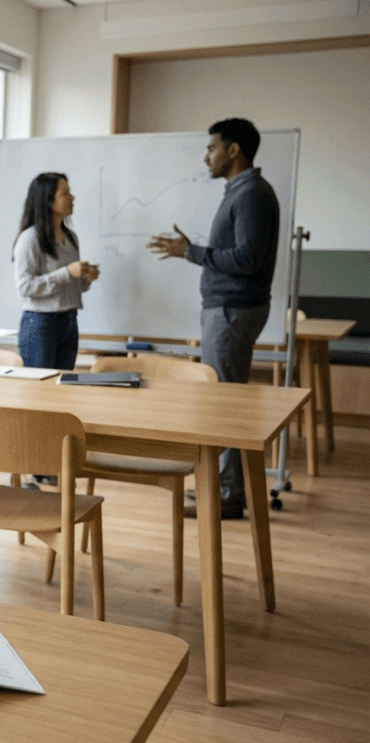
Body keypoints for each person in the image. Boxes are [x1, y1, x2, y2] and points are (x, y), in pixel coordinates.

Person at [148, 118, 279, 520]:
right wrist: (194, 251)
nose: (206, 155)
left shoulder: (252, 194)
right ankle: (228, 490)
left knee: (222, 403)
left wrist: (193, 251)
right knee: (226, 398)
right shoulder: (241, 191)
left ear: (233, 150)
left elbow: (245, 258)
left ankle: (226, 495)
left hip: (233, 310)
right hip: (228, 308)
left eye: (211, 147)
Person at [14, 172, 99, 370]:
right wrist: (67, 272)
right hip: (40, 324)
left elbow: (73, 286)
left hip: (69, 321)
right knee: (39, 393)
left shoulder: (71, 238)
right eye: (66, 193)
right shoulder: (29, 239)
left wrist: (86, 278)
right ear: (48, 200)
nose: (73, 198)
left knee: (62, 390)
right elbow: (25, 287)